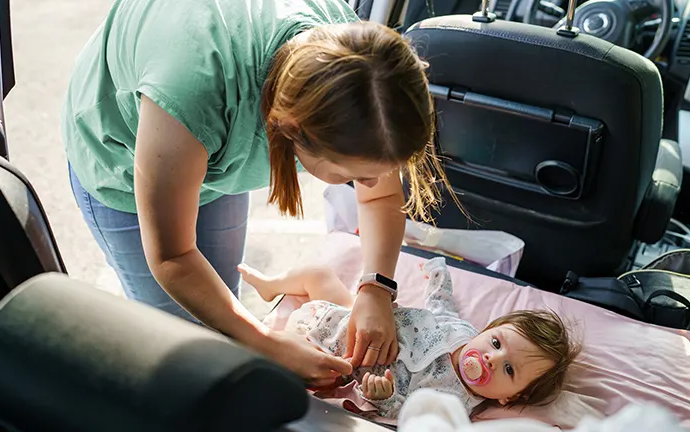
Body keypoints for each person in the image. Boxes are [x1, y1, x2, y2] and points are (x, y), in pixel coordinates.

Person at [61, 0, 455, 386]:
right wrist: (267, 343)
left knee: (220, 313)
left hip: (202, 138)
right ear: (291, 129)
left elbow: (381, 199)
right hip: (122, 159)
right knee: (182, 341)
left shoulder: (366, 81)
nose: (370, 185)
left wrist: (377, 287)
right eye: (354, 176)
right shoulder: (193, 93)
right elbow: (172, 256)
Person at [238, 257, 581, 419]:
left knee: (311, 372)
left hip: (339, 355)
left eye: (509, 370)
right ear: (489, 330)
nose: (492, 357)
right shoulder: (461, 331)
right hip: (354, 317)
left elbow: (408, 413)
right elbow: (440, 304)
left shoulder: (455, 401)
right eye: (496, 343)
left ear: (510, 398)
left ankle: (255, 335)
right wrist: (438, 274)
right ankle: (274, 285)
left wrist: (383, 397)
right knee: (320, 273)